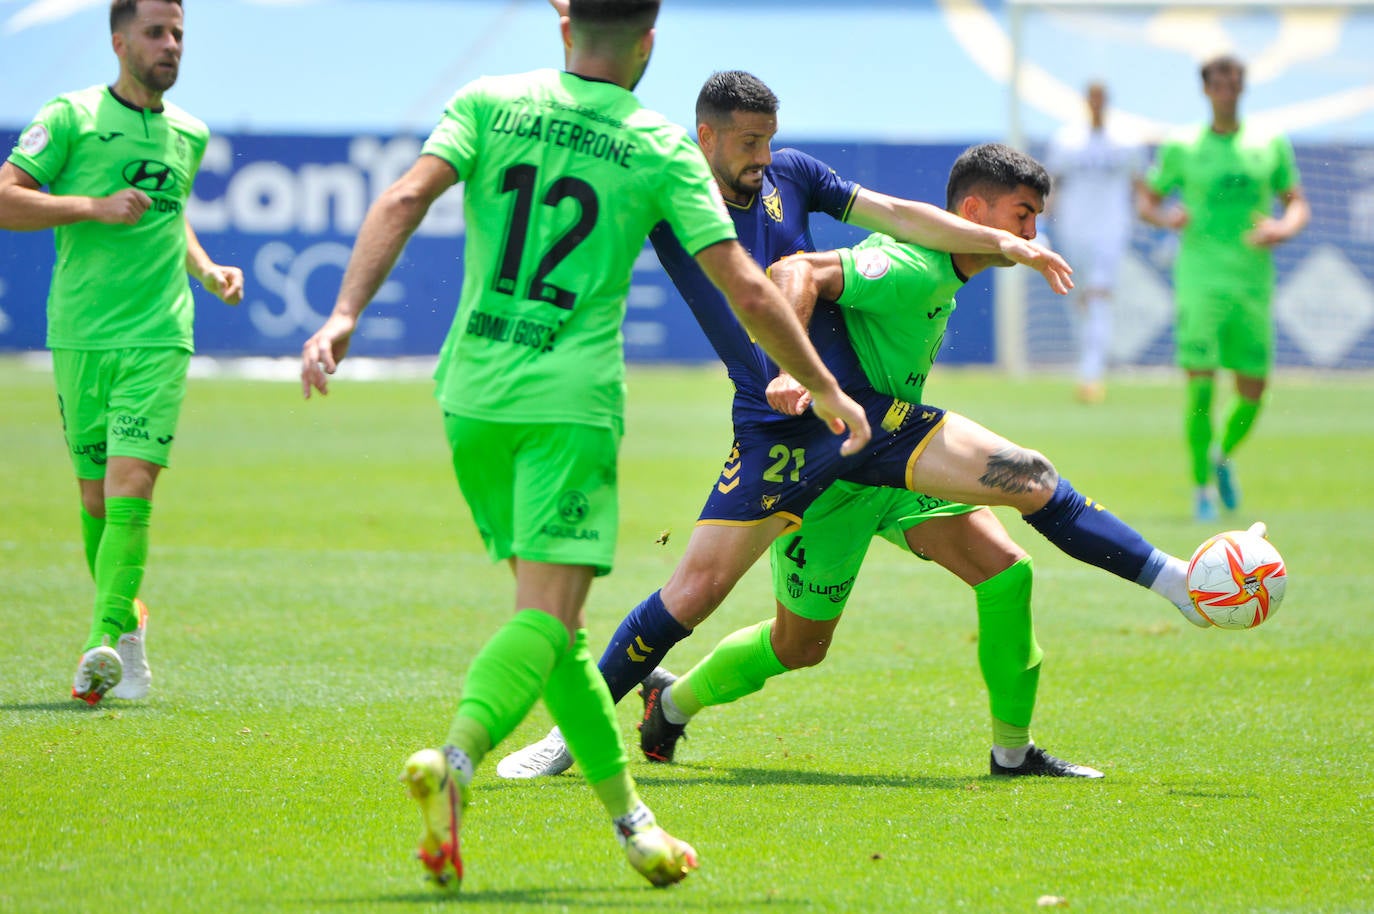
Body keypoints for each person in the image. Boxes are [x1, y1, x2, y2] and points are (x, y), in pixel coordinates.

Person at [299, 3, 872, 892]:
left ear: (565, 23)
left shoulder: (488, 100)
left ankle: (632, 822)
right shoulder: (654, 143)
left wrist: (342, 317)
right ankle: (455, 759)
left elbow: (405, 196)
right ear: (648, 42)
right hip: (568, 404)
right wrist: (828, 390)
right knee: (544, 617)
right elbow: (753, 293)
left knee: (554, 621)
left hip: (471, 395)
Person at [499, 85, 1211, 784]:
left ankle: (1050, 715)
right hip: (781, 429)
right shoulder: (672, 192)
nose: (763, 155)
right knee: (715, 599)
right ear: (706, 136)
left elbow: (898, 212)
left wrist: (1003, 243)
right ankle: (585, 730)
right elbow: (789, 269)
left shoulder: (795, 174)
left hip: (863, 421)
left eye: (769, 138)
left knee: (1018, 517)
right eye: (748, 142)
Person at [0, 0, 244, 705]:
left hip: (159, 334)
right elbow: (7, 198)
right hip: (80, 333)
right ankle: (130, 629)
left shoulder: (189, 133)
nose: (171, 45)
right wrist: (91, 205)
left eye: (178, 35)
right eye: (156, 33)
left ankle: (98, 642)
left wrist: (206, 269)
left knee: (130, 485)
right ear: (118, 41)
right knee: (94, 499)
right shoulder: (70, 117)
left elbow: (173, 214)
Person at [1137, 54, 1308, 521]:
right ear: (1206, 89)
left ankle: (1222, 455)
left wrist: (1282, 228)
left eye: (1233, 80)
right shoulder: (1182, 146)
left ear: (1242, 86)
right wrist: (1164, 217)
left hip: (1252, 281)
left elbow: (1296, 204)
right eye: (1218, 81)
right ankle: (1200, 491)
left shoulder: (1269, 143)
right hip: (1200, 280)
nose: (1226, 88)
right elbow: (1147, 201)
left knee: (1253, 390)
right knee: (1200, 389)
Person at [1044, 81, 1145, 404]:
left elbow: (1141, 187)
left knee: (1099, 295)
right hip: (1073, 231)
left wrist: (1155, 226)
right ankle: (1087, 366)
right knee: (1080, 299)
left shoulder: (1128, 142)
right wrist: (1041, 225)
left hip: (1111, 230)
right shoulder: (1066, 141)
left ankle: (1092, 376)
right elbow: (1053, 186)